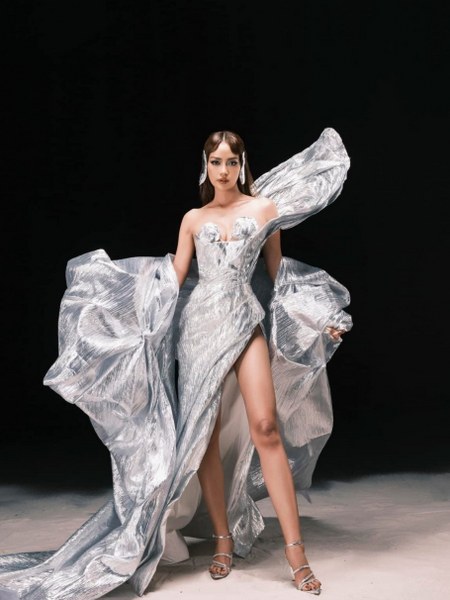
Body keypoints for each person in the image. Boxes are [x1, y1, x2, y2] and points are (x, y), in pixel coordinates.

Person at [0, 127, 352, 599]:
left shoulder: (264, 210)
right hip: (199, 329)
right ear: (205, 167)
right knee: (204, 439)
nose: (223, 171)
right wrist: (120, 305)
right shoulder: (193, 219)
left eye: (231, 162)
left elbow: (280, 277)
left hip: (244, 321)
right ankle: (222, 540)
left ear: (243, 165)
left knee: (266, 427)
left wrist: (320, 316)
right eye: (215, 162)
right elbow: (172, 279)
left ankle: (296, 553)